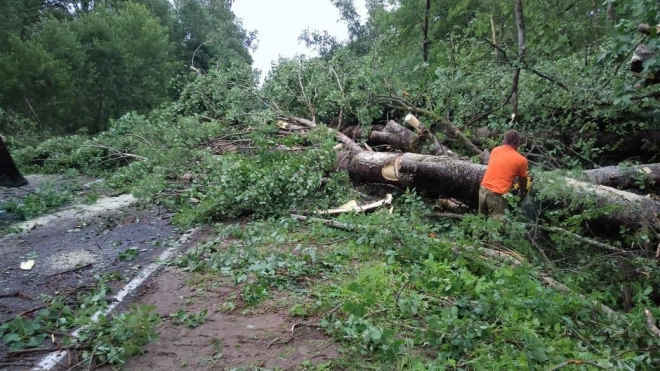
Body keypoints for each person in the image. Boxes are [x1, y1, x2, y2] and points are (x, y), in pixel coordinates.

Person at [478, 130, 528, 220]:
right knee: (497, 226)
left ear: (504, 141)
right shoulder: (521, 160)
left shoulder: (495, 150)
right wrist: (522, 192)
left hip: (483, 189)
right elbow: (523, 180)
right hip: (497, 194)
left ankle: (477, 234)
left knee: (480, 220)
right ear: (518, 142)